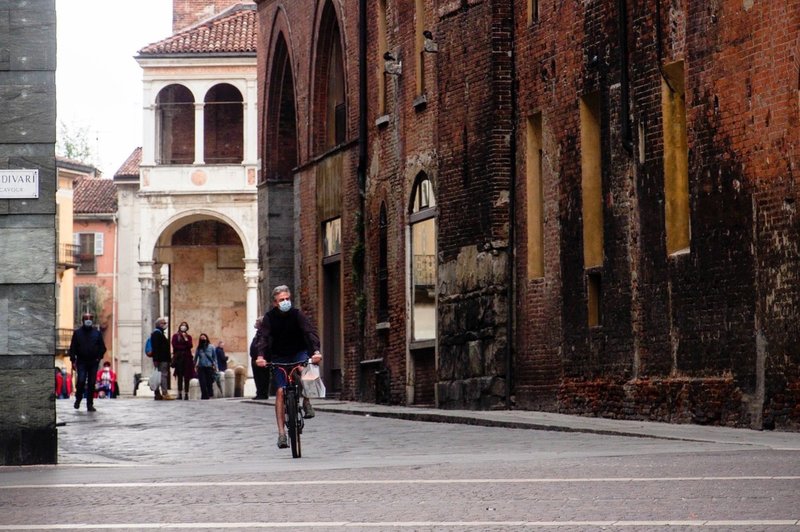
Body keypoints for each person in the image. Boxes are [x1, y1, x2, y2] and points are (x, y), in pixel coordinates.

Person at [254, 285, 323, 449]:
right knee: (279, 391)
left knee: (304, 371)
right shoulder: (269, 319)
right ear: (275, 303)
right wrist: (261, 356)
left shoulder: (297, 315)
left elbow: (309, 332)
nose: (285, 302)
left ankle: (306, 401)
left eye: (287, 299)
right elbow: (263, 337)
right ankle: (282, 434)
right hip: (279, 356)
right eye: (281, 300)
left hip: (298, 352)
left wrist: (316, 351)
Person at [68, 312, 107, 412]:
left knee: (91, 383)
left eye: (90, 318)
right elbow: (73, 348)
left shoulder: (97, 333)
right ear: (83, 320)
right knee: (81, 381)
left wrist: (99, 357)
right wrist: (73, 360)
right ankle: (78, 399)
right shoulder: (77, 333)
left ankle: (90, 404)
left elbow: (102, 348)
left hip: (93, 362)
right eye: (86, 318)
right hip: (81, 361)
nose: (88, 320)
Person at [151, 317, 174, 400]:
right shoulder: (157, 333)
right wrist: (155, 359)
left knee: (159, 376)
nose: (165, 325)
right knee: (163, 376)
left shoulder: (160, 333)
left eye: (165, 323)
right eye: (163, 323)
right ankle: (164, 393)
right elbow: (156, 348)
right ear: (158, 324)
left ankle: (158, 394)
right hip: (161, 359)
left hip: (161, 359)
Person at [171, 321, 194, 400]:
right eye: (182, 325)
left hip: (187, 359)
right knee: (180, 376)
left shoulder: (189, 337)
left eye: (185, 326)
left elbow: (190, 345)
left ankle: (186, 393)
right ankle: (180, 393)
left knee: (186, 377)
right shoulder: (175, 336)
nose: (183, 327)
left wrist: (185, 338)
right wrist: (184, 347)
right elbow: (175, 345)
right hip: (179, 359)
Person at [249, 319, 269, 400]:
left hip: (261, 359)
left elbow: (262, 345)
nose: (255, 323)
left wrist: (260, 356)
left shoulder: (264, 333)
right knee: (257, 377)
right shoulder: (258, 333)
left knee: (262, 377)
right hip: (255, 359)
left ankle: (262, 394)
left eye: (257, 321)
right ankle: (259, 393)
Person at [194, 333, 217, 400]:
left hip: (209, 367)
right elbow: (196, 358)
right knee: (202, 382)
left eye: (204, 337)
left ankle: (210, 394)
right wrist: (194, 365)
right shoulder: (199, 348)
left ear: (206, 338)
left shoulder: (211, 347)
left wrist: (215, 366)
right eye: (201, 338)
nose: (203, 339)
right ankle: (204, 395)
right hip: (201, 367)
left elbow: (214, 357)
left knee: (209, 382)